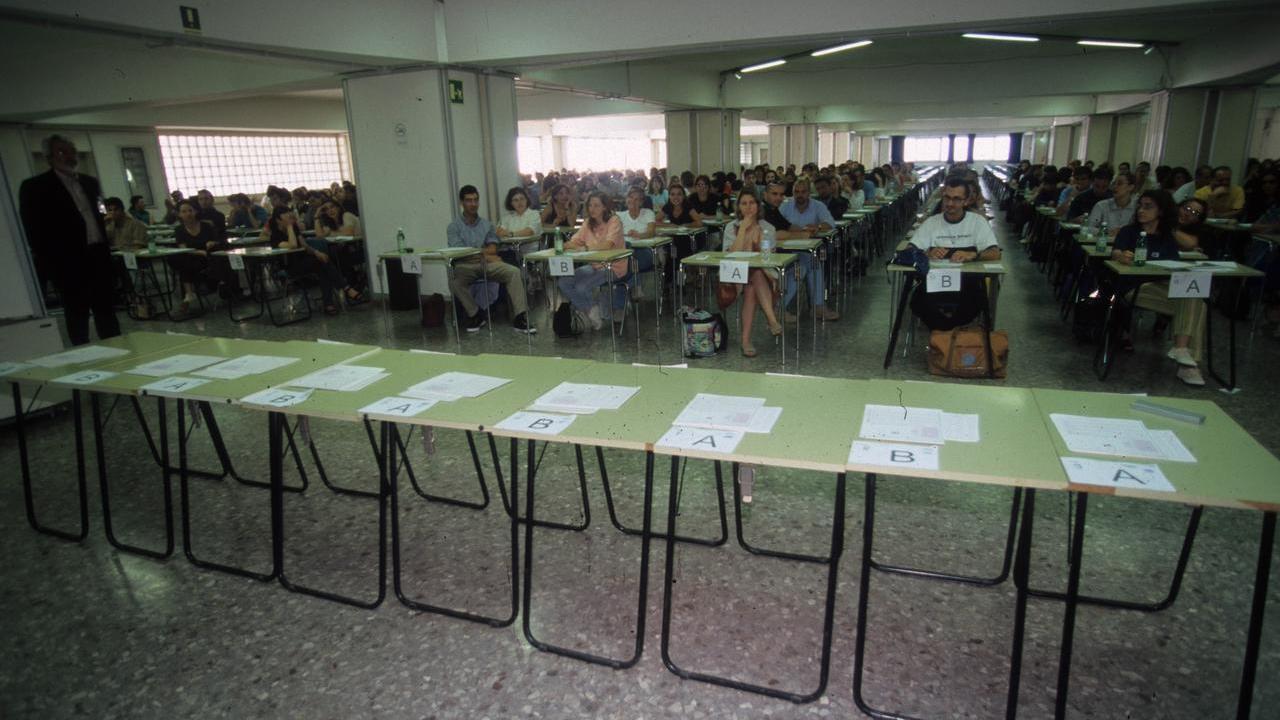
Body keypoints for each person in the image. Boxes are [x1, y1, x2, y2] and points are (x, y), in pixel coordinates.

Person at [18, 134, 121, 345]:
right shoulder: (35, 187)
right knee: (77, 312)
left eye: (71, 151)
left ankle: (118, 348)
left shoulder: (89, 183)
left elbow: (98, 216)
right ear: (49, 157)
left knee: (106, 310)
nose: (69, 156)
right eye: (61, 152)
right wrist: (52, 264)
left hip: (97, 254)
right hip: (68, 260)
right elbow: (33, 230)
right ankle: (82, 352)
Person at [1111, 190, 1207, 386]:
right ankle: (1189, 366)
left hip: (1162, 287)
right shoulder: (1129, 231)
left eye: (1148, 207)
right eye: (1140, 206)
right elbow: (1116, 252)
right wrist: (1122, 256)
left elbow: (1176, 262)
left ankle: (1182, 353)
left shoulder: (1167, 236)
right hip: (1135, 288)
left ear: (1161, 211)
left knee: (1195, 299)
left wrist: (1171, 230)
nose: (1141, 210)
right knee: (1197, 306)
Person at [446, 185, 535, 333]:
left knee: (513, 272)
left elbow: (493, 249)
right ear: (462, 203)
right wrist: (486, 255)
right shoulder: (454, 227)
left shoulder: (487, 225)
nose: (473, 204)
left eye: (476, 200)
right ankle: (475, 314)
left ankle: (520, 317)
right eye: (469, 200)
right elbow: (461, 253)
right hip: (466, 266)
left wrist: (483, 255)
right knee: (455, 282)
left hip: (486, 264)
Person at [267, 206, 363, 316]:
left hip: (306, 262)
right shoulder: (275, 236)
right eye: (285, 214)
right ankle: (345, 289)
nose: (289, 215)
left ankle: (329, 303)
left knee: (323, 264)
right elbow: (293, 245)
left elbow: (305, 245)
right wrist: (289, 227)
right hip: (290, 267)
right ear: (278, 219)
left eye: (289, 212)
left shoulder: (294, 229)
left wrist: (317, 252)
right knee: (322, 263)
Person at [721, 189, 782, 357]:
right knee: (752, 280)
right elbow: (731, 255)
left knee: (753, 282)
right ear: (738, 207)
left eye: (752, 203)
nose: (748, 207)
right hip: (734, 273)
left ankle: (746, 341)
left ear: (758, 205)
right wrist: (742, 230)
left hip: (762, 274)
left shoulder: (768, 228)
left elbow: (767, 259)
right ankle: (771, 319)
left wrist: (758, 235)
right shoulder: (731, 227)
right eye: (744, 203)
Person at [558, 192, 626, 330]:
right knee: (563, 281)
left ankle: (592, 312)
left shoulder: (614, 221)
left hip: (613, 266)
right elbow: (576, 240)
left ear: (605, 207)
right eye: (590, 205)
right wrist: (564, 245)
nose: (592, 209)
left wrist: (584, 248)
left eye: (596, 205)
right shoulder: (588, 222)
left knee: (581, 287)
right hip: (595, 265)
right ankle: (590, 309)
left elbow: (608, 244)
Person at [778, 178, 838, 321]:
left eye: (803, 192)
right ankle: (779, 308)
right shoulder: (785, 206)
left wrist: (818, 227)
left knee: (814, 263)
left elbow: (830, 223)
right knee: (803, 266)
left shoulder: (818, 206)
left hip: (807, 250)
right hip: (785, 250)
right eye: (796, 192)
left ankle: (818, 307)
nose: (800, 195)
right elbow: (775, 227)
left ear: (809, 193)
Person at [907, 176, 1001, 262]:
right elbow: (909, 250)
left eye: (956, 199)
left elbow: (995, 253)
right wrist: (926, 254)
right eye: (947, 198)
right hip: (935, 274)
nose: (950, 203)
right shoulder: (931, 223)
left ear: (966, 201)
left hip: (970, 275)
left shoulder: (978, 222)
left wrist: (973, 255)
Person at [617, 186, 657, 289]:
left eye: (636, 199)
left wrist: (639, 235)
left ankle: (628, 286)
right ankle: (633, 285)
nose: (632, 201)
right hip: (624, 251)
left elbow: (651, 232)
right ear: (626, 199)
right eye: (630, 197)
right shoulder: (619, 215)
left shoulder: (648, 213)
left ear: (641, 202)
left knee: (626, 264)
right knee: (623, 262)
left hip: (644, 250)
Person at [1088, 172, 1137, 236]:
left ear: (1131, 187)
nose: (1115, 187)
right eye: (1114, 183)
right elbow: (1088, 227)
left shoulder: (1137, 207)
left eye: (1119, 184)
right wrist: (1107, 232)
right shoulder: (1101, 205)